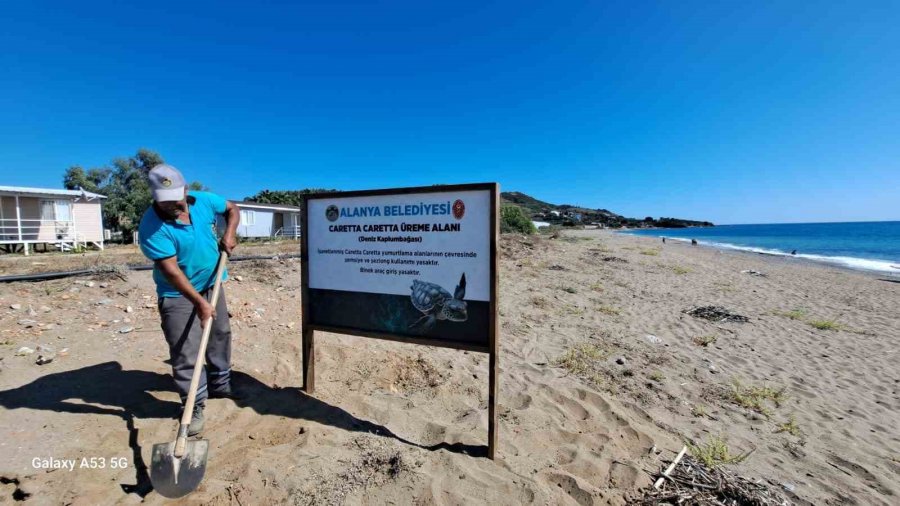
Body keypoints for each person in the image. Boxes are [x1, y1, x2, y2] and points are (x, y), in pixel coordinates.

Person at [138, 164, 240, 436]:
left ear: (185, 190)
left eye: (175, 198)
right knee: (185, 349)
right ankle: (193, 404)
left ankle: (221, 383)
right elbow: (170, 272)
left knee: (220, 334)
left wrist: (229, 233)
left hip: (212, 281)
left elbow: (231, 209)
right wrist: (199, 302)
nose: (172, 205)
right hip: (178, 294)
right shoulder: (151, 227)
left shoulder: (205, 201)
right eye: (164, 201)